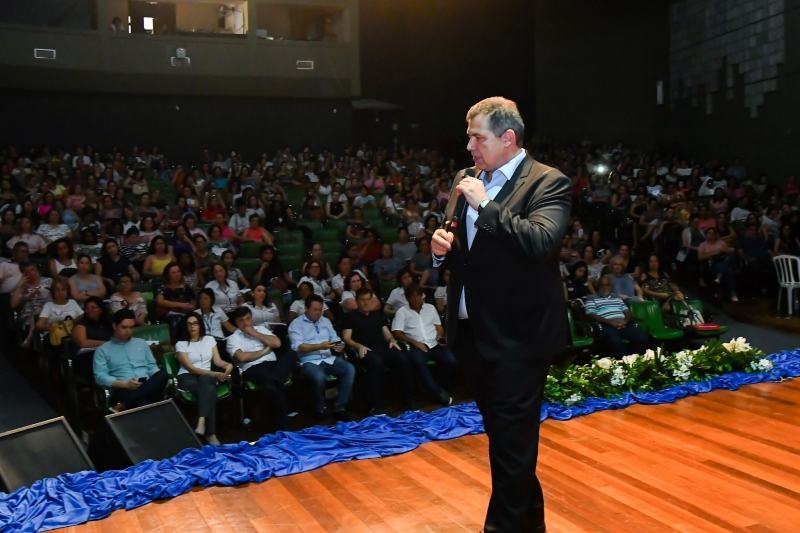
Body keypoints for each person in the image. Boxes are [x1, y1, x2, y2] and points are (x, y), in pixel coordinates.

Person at [431, 97, 571, 532]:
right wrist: (441, 249)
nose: (470, 145)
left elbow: (540, 243)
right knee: (509, 446)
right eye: (469, 136)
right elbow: (468, 254)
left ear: (507, 138)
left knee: (510, 447)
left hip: (520, 338)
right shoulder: (466, 178)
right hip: (474, 336)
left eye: (478, 137)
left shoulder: (549, 182)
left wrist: (485, 205)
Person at [341, 287, 414, 414]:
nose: (366, 303)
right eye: (362, 300)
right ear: (357, 301)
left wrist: (391, 339)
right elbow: (346, 338)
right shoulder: (350, 317)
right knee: (376, 363)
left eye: (368, 300)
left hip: (382, 347)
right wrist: (358, 346)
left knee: (403, 358)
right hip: (365, 350)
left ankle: (409, 400)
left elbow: (386, 333)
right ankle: (374, 405)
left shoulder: (377, 315)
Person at [227, 306, 297, 430]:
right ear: (236, 323)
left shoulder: (261, 329)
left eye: (248, 319)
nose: (246, 323)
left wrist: (254, 333)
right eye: (241, 320)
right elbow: (242, 357)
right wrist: (264, 352)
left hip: (273, 365)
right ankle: (283, 425)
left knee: (291, 353)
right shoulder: (233, 338)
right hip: (254, 368)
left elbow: (277, 343)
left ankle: (273, 380)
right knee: (274, 382)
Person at [288, 294, 354, 421]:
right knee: (319, 377)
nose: (319, 313)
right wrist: (319, 346)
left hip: (328, 358)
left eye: (320, 310)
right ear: (306, 308)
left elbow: (335, 339)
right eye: (315, 310)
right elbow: (298, 347)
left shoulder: (326, 321)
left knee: (349, 369)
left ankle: (340, 407)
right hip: (308, 360)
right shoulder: (296, 324)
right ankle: (319, 408)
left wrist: (339, 345)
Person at [391, 284, 456, 406]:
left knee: (450, 360)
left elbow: (439, 327)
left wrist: (439, 335)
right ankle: (437, 393)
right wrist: (415, 342)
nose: (416, 298)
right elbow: (397, 333)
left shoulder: (430, 308)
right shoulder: (402, 312)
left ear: (422, 296)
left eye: (418, 295)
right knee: (419, 363)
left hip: (434, 343)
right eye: (413, 296)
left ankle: (440, 386)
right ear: (408, 298)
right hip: (417, 345)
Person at [93, 309, 169, 411]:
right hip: (123, 387)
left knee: (163, 374)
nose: (128, 331)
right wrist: (125, 384)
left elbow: (152, 367)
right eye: (124, 327)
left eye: (131, 327)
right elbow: (100, 377)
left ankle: (123, 404)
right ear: (114, 326)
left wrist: (158, 380)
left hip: (146, 383)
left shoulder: (141, 343)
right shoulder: (103, 350)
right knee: (142, 401)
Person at [175, 314, 233, 446]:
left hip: (207, 378)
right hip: (187, 378)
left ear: (200, 325)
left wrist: (227, 365)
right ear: (185, 327)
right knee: (210, 389)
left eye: (195, 323)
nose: (192, 326)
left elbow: (217, 361)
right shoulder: (181, 344)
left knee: (206, 381)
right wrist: (215, 374)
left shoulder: (209, 340)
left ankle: (201, 421)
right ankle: (210, 433)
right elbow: (191, 369)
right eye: (189, 324)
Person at [585, 276, 650, 357]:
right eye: (602, 285)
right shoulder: (592, 297)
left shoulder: (616, 297)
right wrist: (611, 322)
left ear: (610, 286)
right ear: (598, 286)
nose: (604, 287)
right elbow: (591, 314)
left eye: (607, 285)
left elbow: (627, 311)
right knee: (616, 343)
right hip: (606, 325)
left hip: (623, 324)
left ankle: (627, 358)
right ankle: (623, 361)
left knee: (643, 339)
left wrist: (625, 321)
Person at [71, 296, 113, 379]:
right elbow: (83, 343)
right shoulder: (81, 324)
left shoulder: (107, 322)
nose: (89, 310)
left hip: (106, 355)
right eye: (87, 308)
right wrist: (106, 344)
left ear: (100, 309)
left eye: (93, 307)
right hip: (87, 358)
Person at [698, 227, 739, 301]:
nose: (711, 235)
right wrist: (713, 253)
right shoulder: (703, 245)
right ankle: (732, 294)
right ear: (706, 235)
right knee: (728, 270)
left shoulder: (721, 242)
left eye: (713, 233)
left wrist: (723, 250)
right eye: (709, 233)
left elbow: (731, 252)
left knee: (728, 259)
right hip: (712, 264)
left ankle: (719, 277)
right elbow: (700, 257)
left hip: (723, 261)